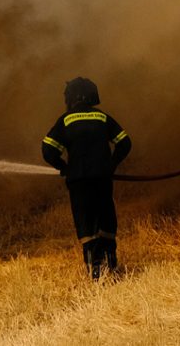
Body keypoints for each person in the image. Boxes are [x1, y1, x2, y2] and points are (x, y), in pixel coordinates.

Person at [42, 77, 132, 279]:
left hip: (79, 181)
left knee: (86, 221)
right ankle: (112, 264)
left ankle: (95, 270)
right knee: (106, 216)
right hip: (102, 178)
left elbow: (48, 150)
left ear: (73, 97)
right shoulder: (102, 117)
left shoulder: (65, 120)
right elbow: (125, 143)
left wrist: (63, 166)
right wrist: (111, 164)